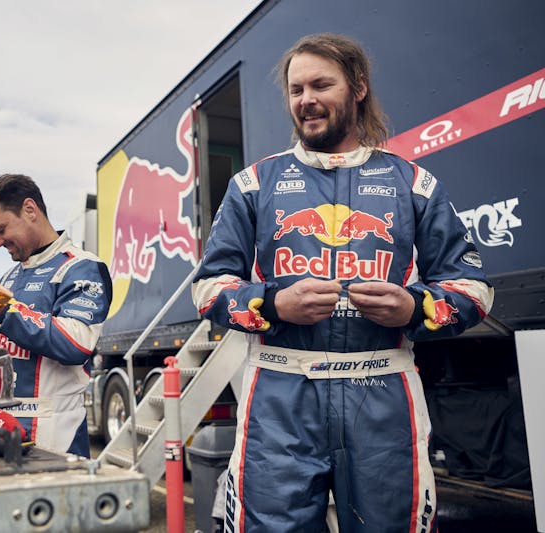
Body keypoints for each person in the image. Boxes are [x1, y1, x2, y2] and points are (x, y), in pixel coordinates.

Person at [191, 33, 493, 532]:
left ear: (357, 87)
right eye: (295, 89)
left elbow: (473, 289)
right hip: (280, 397)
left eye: (320, 84)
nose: (305, 99)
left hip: (383, 396)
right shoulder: (254, 184)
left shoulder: (412, 183)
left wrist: (414, 309)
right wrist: (271, 304)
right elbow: (208, 288)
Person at [0, 173, 112, 458]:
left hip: (55, 432)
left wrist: (1, 307)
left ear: (30, 210)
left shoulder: (82, 267)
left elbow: (74, 344)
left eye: (0, 229)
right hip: (3, 426)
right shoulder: (9, 276)